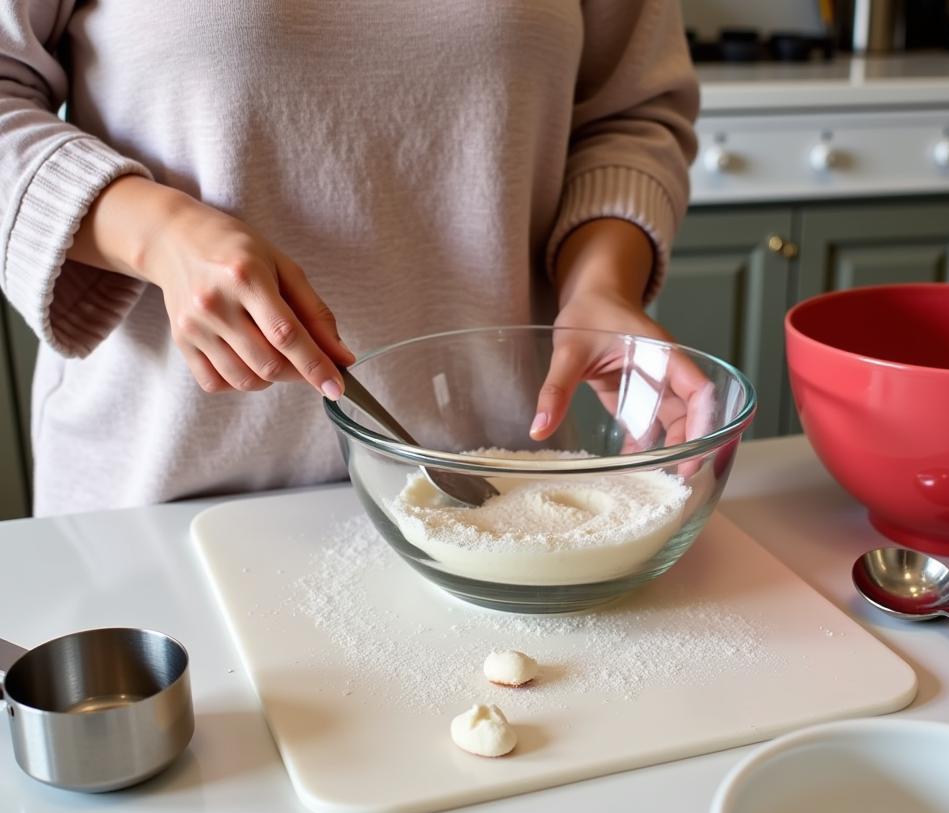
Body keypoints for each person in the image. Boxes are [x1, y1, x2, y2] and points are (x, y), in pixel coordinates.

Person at [0, 1, 701, 516]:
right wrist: (159, 233)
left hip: (503, 492)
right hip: (154, 506)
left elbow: (630, 114)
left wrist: (602, 286)